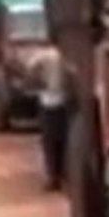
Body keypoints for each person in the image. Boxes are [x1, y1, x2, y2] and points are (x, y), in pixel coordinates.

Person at [28, 44, 71, 191]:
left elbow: (30, 68)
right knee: (63, 142)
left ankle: (53, 178)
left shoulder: (41, 55)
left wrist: (37, 83)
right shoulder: (63, 56)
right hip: (62, 101)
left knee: (49, 144)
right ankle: (63, 175)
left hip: (47, 101)